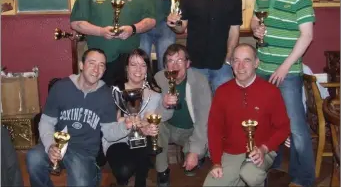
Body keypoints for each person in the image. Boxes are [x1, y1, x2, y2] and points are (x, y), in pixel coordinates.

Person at [251, 0, 316, 187]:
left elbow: (307, 36)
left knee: (297, 129)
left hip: (286, 73)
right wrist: (257, 28)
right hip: (262, 70)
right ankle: (271, 169)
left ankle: (305, 179)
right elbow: (254, 21)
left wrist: (284, 67)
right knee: (266, 124)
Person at [26, 48, 135, 187]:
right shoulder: (61, 87)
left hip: (84, 152)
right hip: (58, 144)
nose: (96, 69)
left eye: (101, 65)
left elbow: (109, 132)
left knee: (81, 183)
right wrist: (50, 145)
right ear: (82, 65)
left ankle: (93, 173)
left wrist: (125, 126)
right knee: (33, 158)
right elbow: (46, 121)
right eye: (92, 63)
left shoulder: (106, 96)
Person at [203, 43, 290, 187]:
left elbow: (283, 127)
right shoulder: (222, 92)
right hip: (231, 152)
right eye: (236, 60)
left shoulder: (271, 92)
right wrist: (217, 162)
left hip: (262, 150)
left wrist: (264, 149)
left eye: (247, 60)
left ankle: (258, 178)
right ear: (231, 64)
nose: (241, 66)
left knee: (250, 174)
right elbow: (214, 130)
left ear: (256, 63)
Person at [70, 0, 156, 87]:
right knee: (102, 103)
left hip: (130, 63)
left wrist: (133, 29)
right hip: (100, 63)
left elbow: (151, 20)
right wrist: (100, 31)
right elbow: (76, 23)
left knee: (129, 103)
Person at [167, 0, 242, 93]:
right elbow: (181, 27)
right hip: (195, 64)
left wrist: (228, 59)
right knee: (198, 111)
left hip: (222, 65)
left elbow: (234, 31)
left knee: (223, 112)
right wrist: (173, 24)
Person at [154, 44, 212, 187]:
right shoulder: (159, 78)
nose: (175, 65)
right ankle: (162, 171)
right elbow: (154, 114)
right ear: (165, 65)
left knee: (194, 159)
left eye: (179, 60)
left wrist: (195, 151)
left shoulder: (200, 82)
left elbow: (204, 120)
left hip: (190, 130)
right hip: (168, 127)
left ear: (188, 63)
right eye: (170, 61)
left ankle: (193, 154)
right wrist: (164, 104)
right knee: (156, 125)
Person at [103, 48, 162, 187]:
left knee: (143, 142)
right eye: (133, 64)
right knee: (124, 170)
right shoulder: (114, 91)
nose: (138, 69)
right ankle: (122, 181)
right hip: (116, 139)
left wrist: (144, 127)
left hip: (140, 139)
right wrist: (134, 123)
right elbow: (113, 124)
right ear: (126, 68)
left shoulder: (154, 95)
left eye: (143, 65)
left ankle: (140, 183)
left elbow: (148, 120)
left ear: (147, 69)